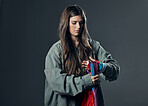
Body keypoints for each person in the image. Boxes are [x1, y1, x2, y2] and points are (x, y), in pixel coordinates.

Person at [44, 5, 120, 106]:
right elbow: (57, 83)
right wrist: (87, 81)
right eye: (74, 23)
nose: (78, 27)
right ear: (66, 23)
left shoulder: (93, 46)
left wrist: (101, 66)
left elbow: (115, 70)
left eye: (81, 23)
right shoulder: (55, 51)